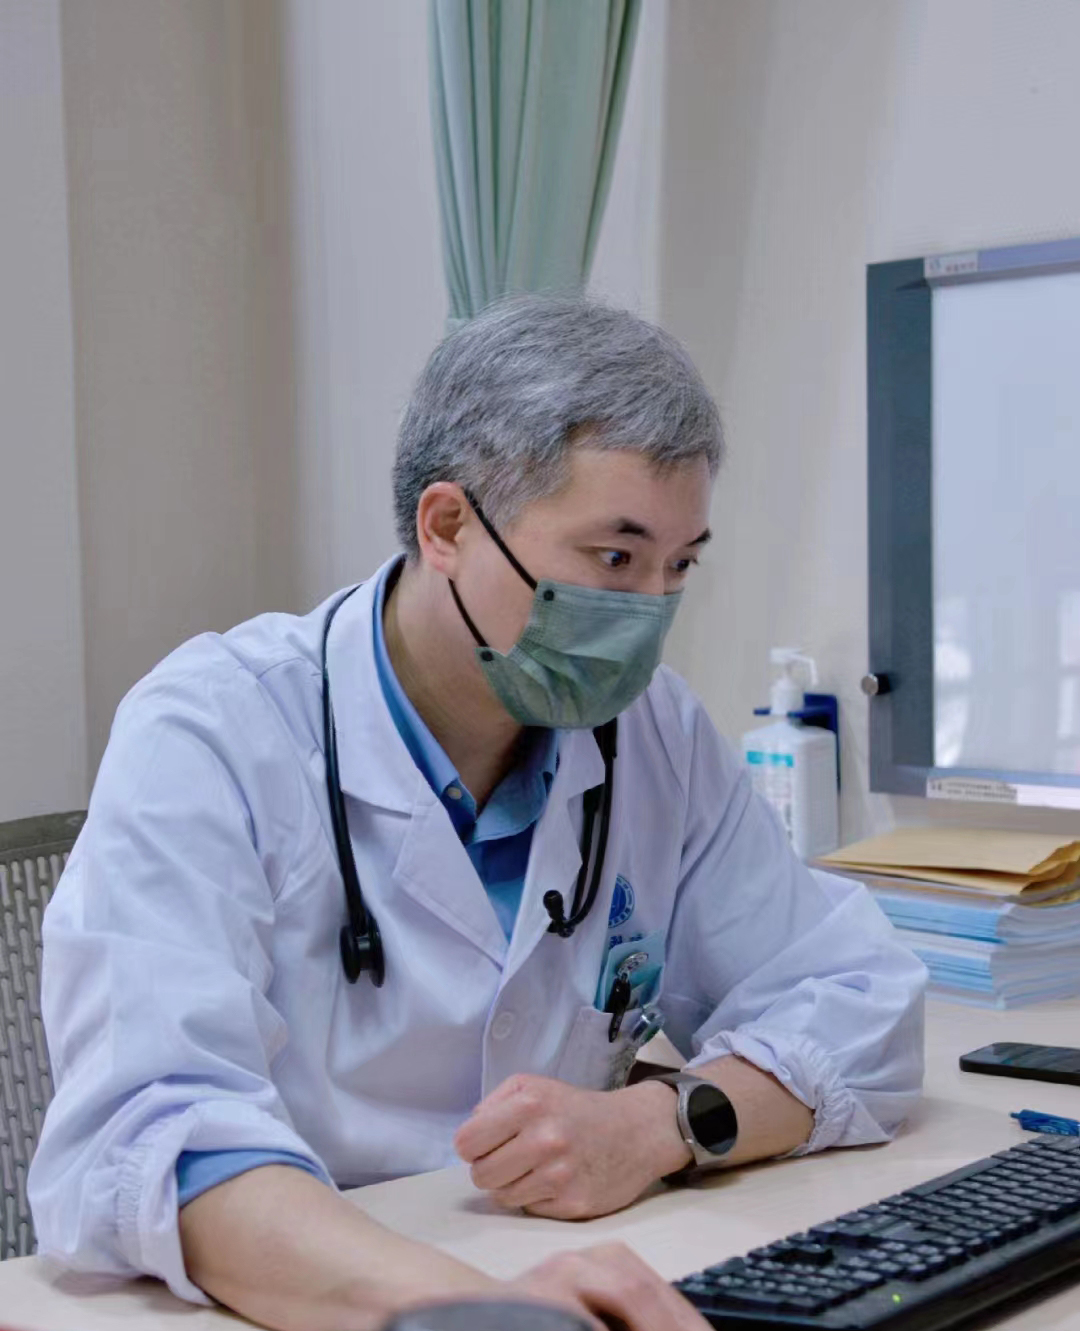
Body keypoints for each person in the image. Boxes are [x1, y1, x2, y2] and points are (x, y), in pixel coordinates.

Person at [29, 297, 926, 1331]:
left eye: (679, 565)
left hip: (557, 1265)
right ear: (448, 526)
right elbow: (153, 1140)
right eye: (615, 557)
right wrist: (473, 1308)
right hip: (295, 1298)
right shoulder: (214, 731)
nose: (649, 611)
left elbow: (854, 997)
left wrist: (663, 1120)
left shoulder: (653, 733)